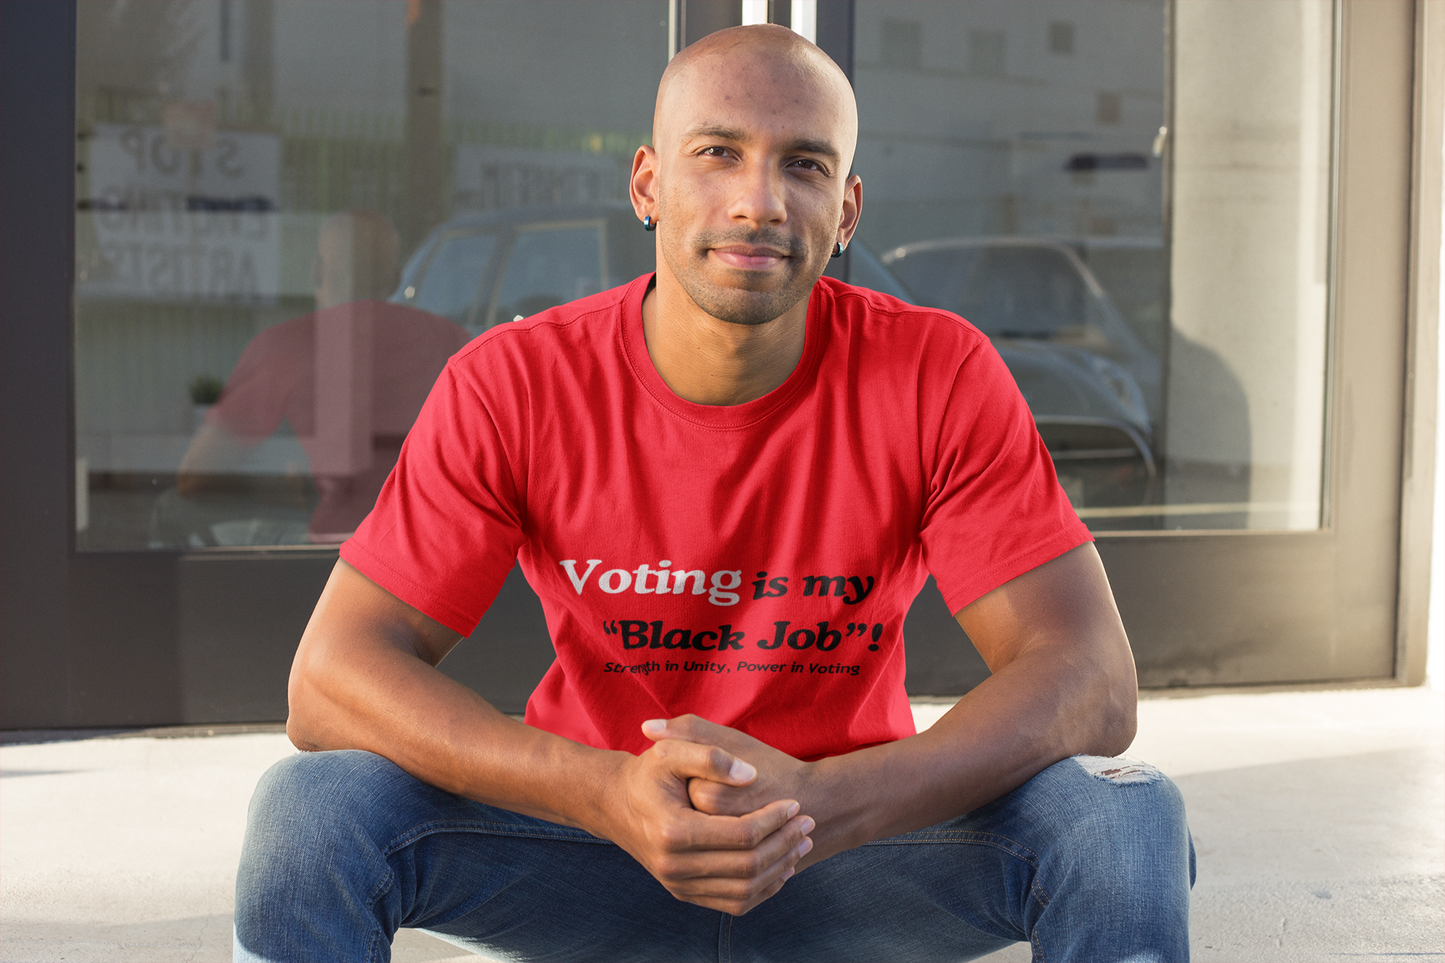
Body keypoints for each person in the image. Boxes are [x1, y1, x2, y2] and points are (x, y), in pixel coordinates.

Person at [234, 25, 1193, 963]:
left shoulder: (934, 370)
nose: (758, 201)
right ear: (648, 184)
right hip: (590, 853)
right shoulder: (516, 381)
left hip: (851, 854)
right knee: (313, 810)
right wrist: (600, 790)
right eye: (718, 154)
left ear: (848, 211)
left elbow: (1090, 678)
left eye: (805, 166)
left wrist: (829, 800)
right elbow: (329, 679)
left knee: (1120, 815)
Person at [175, 210, 471, 544]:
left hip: (330, 552)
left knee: (172, 511)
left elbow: (196, 475)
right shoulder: (455, 345)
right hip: (434, 550)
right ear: (395, 279)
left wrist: (283, 489)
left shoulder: (287, 346)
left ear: (316, 272)